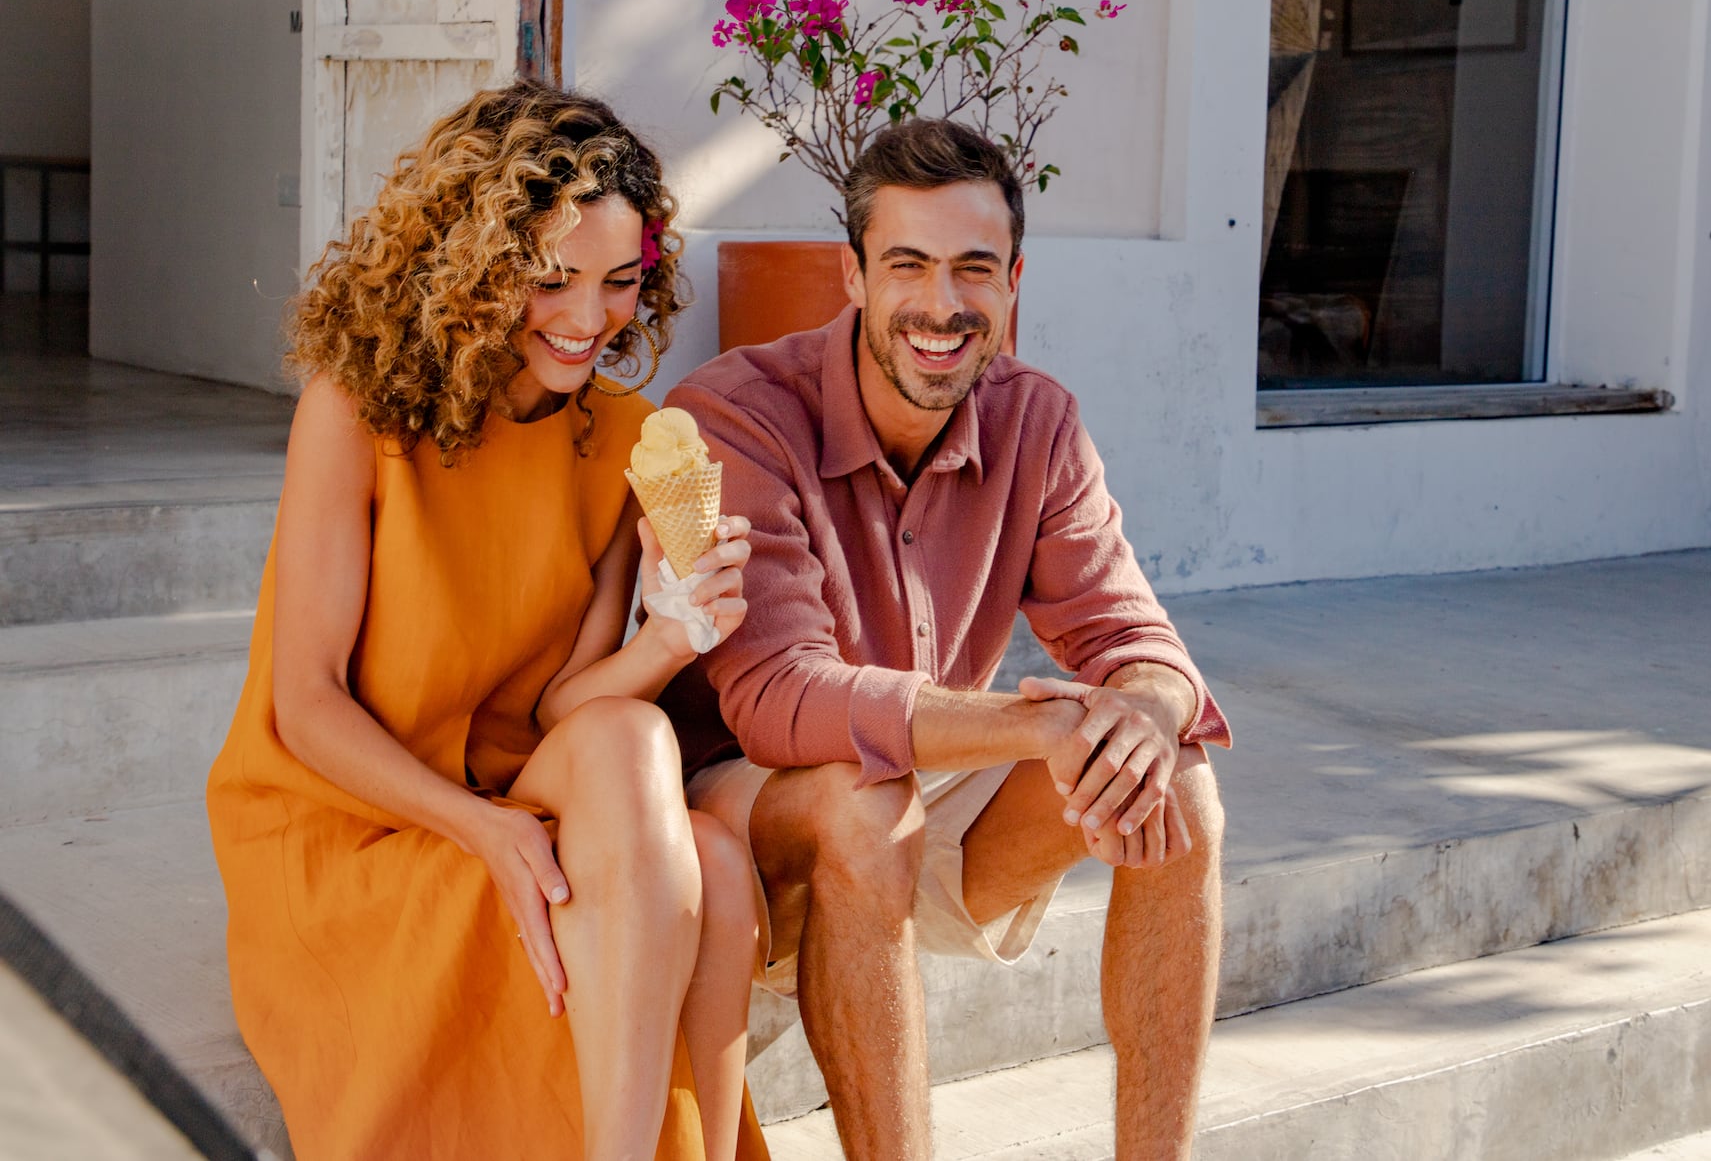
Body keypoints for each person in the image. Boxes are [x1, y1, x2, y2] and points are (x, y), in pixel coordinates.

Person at [207, 81, 767, 1160]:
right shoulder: (356, 407)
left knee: (692, 820)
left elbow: (567, 707)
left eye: (617, 284)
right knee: (700, 855)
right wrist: (483, 828)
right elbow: (306, 699)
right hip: (355, 812)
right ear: (471, 265)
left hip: (519, 784)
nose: (586, 319)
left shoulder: (625, 435)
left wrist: (673, 634)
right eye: (550, 280)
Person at [665, 117, 1232, 1159]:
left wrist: (1143, 712)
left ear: (1012, 281)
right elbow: (776, 698)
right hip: (749, 814)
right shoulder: (736, 415)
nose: (940, 304)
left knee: (1178, 780)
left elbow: (1131, 636)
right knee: (858, 800)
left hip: (918, 798)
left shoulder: (1037, 422)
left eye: (972, 268)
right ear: (852, 275)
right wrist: (1040, 724)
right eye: (907, 265)